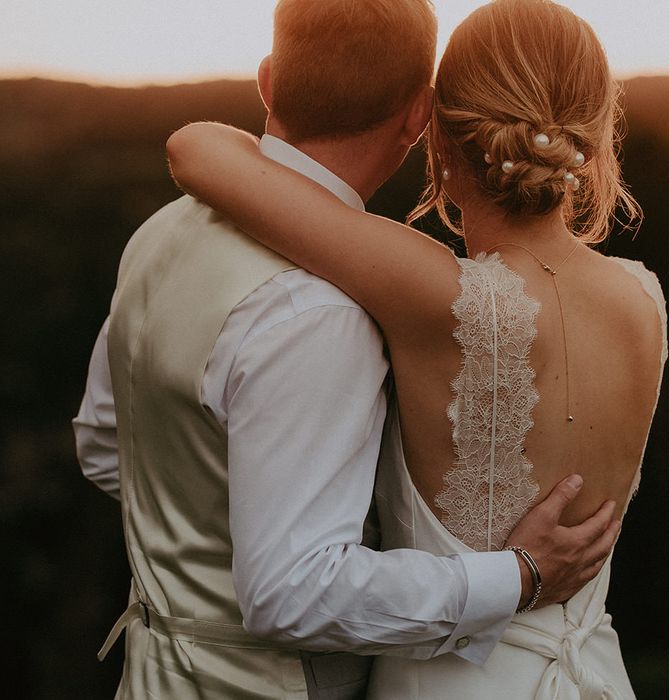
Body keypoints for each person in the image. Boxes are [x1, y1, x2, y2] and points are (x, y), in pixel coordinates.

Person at [73, 1, 619, 698]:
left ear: (268, 82)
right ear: (419, 117)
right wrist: (517, 576)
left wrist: (212, 527)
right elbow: (292, 595)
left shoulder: (162, 231)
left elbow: (102, 444)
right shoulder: (322, 314)